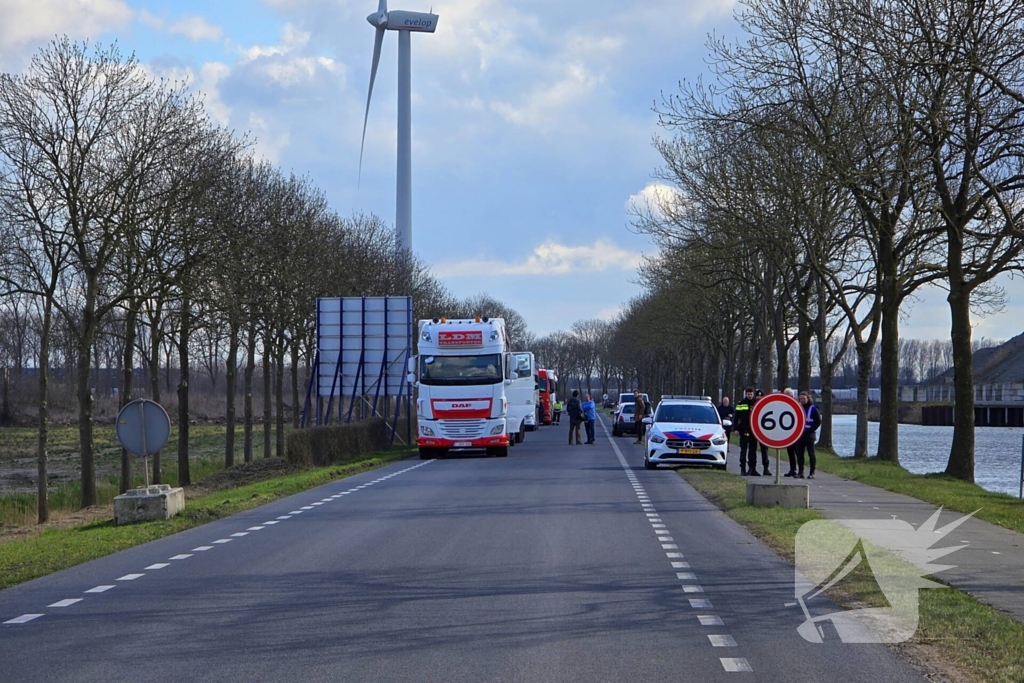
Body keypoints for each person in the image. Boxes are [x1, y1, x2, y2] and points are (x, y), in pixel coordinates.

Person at [795, 391, 822, 478]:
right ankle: (800, 472)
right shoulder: (797, 408)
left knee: (811, 454)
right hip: (800, 435)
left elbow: (818, 422)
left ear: (808, 398)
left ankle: (812, 473)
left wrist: (810, 430)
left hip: (809, 435)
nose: (802, 400)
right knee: (800, 454)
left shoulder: (813, 408)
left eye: (804, 398)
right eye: (801, 398)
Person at [733, 387, 757, 475]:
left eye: (751, 394)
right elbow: (736, 418)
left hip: (754, 430)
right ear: (745, 394)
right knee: (744, 450)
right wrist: (735, 429)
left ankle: (752, 469)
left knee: (753, 451)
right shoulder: (741, 404)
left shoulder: (756, 403)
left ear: (753, 394)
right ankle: (743, 469)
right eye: (748, 394)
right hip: (743, 429)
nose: (750, 396)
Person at [754, 389, 772, 476]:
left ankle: (766, 468)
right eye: (757, 396)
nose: (759, 397)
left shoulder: (766, 405)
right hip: (753, 431)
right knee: (752, 450)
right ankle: (752, 468)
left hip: (763, 431)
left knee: (764, 451)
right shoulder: (752, 404)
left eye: (761, 396)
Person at [783, 388, 798, 478]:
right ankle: (792, 469)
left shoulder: (796, 404)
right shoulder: (783, 404)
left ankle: (800, 470)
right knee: (790, 452)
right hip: (788, 432)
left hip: (796, 433)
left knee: (798, 453)